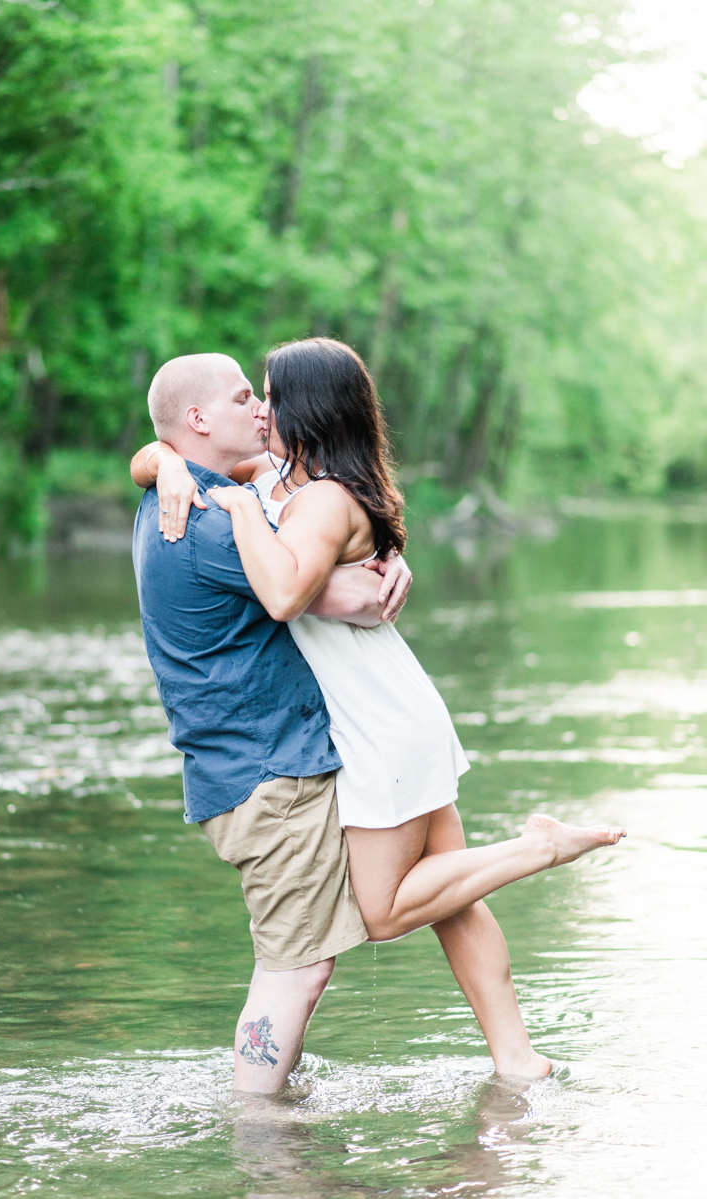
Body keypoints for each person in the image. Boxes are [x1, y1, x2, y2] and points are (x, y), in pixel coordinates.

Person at [133, 339, 626, 1082]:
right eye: (247, 396)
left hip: (377, 724)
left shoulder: (298, 498)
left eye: (267, 394)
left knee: (389, 909)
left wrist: (234, 507)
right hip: (391, 711)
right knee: (453, 896)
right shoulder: (269, 481)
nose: (261, 408)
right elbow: (172, 448)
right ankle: (517, 1059)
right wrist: (165, 460)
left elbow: (285, 591)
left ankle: (539, 847)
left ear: (308, 409)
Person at [131, 350, 413, 1096]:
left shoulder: (194, 495)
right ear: (197, 420)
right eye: (240, 398)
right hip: (268, 775)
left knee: (294, 961)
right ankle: (261, 1138)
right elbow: (346, 596)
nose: (259, 410)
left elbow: (338, 569)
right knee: (298, 968)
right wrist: (381, 568)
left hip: (244, 770)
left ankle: (265, 1111)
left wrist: (159, 460)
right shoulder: (209, 524)